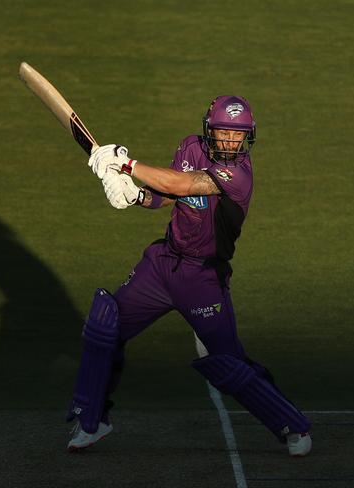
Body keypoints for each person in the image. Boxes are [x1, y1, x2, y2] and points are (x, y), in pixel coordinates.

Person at [65, 96, 312, 457]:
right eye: (224, 132)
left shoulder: (239, 175)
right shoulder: (191, 146)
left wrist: (126, 163)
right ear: (209, 130)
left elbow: (184, 186)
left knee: (229, 363)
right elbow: (169, 195)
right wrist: (135, 196)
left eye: (237, 135)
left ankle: (291, 424)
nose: (230, 141)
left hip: (203, 278)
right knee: (105, 327)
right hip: (162, 264)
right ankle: (93, 419)